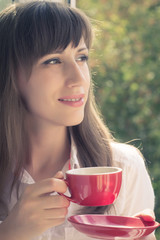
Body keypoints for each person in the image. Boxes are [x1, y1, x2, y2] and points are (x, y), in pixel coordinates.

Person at [0, 1, 156, 240]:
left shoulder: (124, 166)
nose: (78, 78)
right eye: (53, 60)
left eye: (81, 57)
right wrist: (10, 233)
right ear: (10, 74)